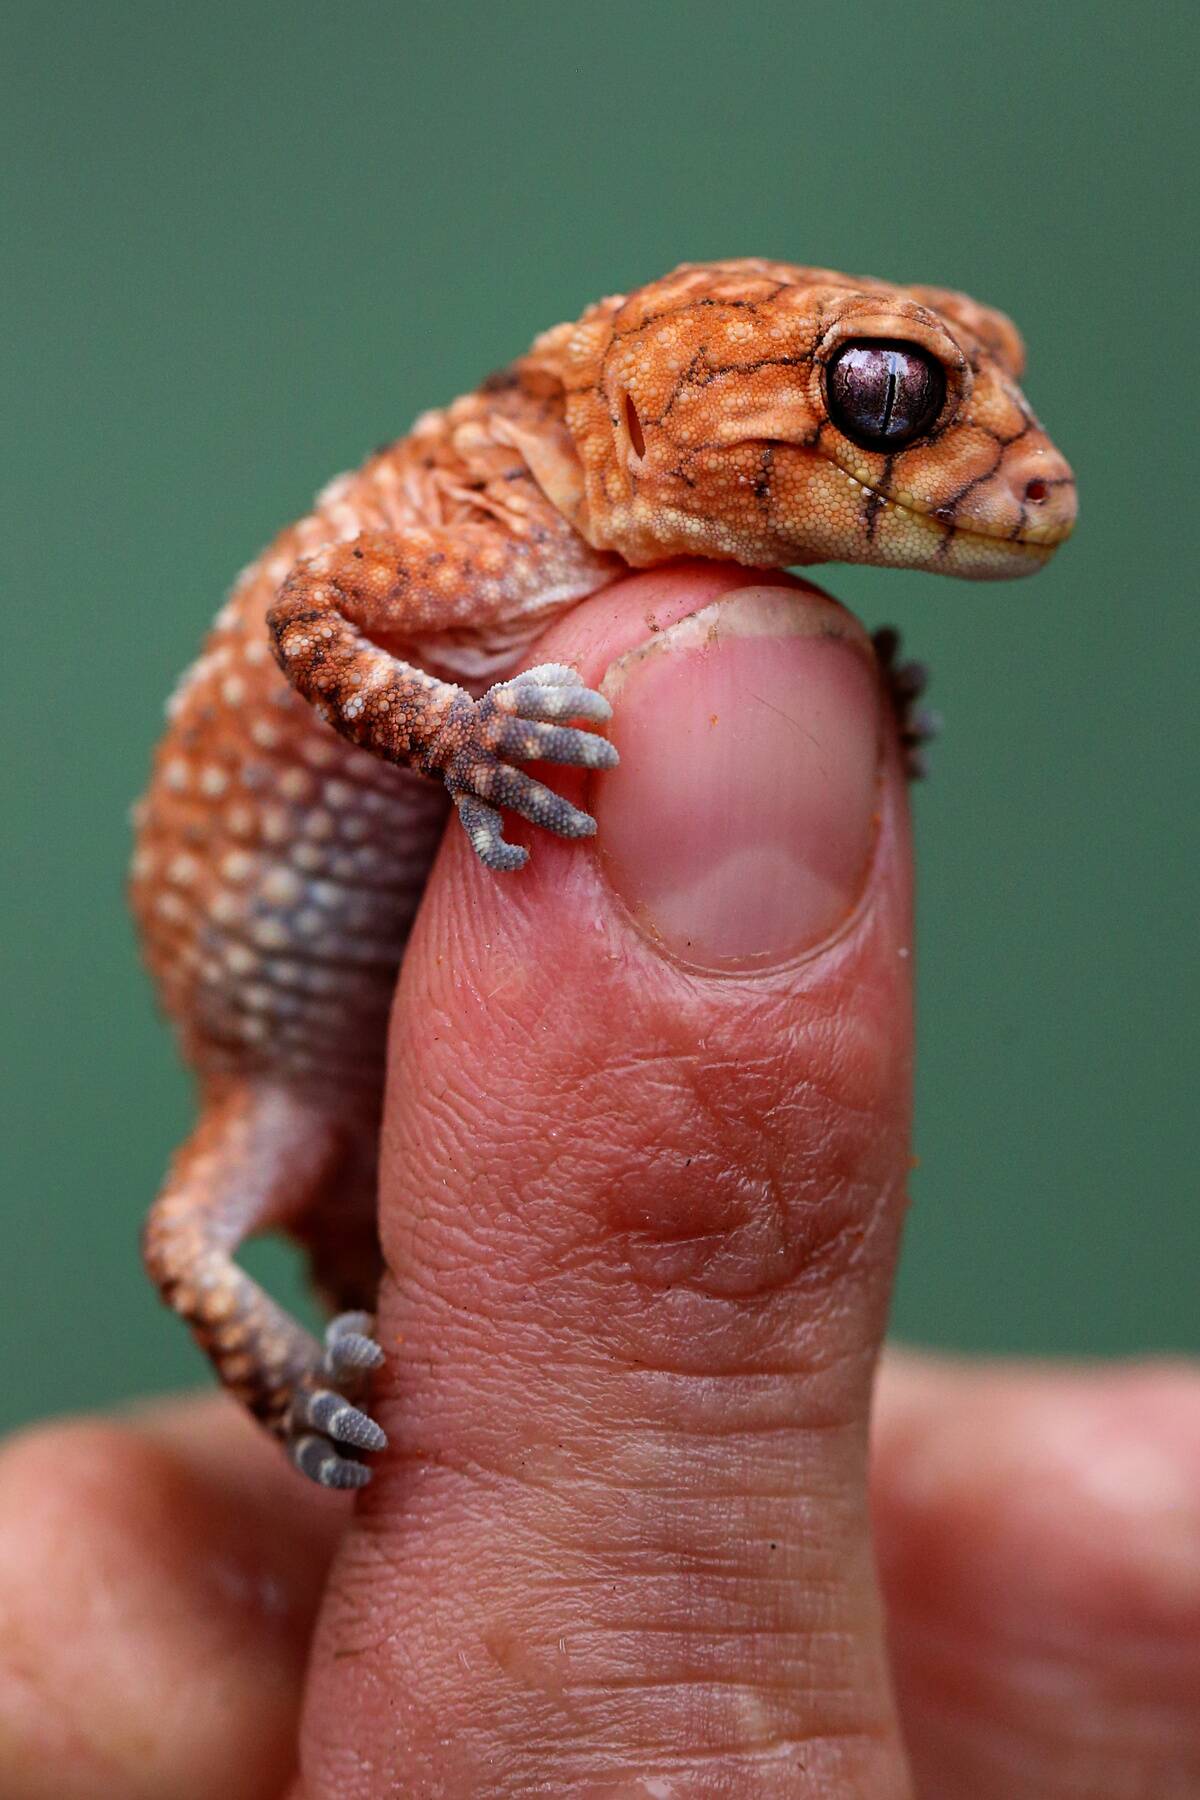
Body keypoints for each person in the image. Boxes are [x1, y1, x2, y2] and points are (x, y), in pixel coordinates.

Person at [1, 564, 1196, 1799]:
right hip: (289, 1067)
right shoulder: (469, 522)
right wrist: (298, 1392)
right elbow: (307, 615)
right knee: (194, 1245)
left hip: (477, 992)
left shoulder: (603, 565)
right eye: (887, 400)